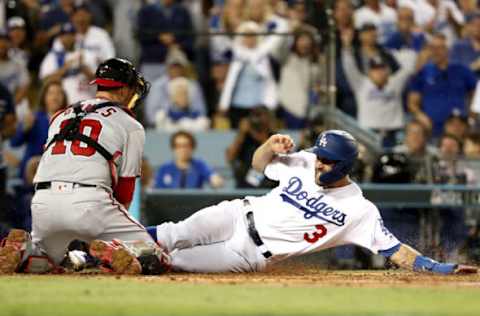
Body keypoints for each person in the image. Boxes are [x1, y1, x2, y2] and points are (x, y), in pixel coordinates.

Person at [92, 130, 476, 274]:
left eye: (326, 160)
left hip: (249, 256)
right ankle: (93, 253)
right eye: (318, 155)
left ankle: (97, 262)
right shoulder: (304, 159)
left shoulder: (360, 210)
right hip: (237, 214)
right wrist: (268, 144)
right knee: (172, 234)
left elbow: (395, 249)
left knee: (171, 263)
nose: (318, 162)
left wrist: (439, 268)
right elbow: (259, 164)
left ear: (343, 165)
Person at [0, 58, 169, 275]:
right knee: (157, 257)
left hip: (43, 204)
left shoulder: (60, 115)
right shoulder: (131, 125)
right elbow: (125, 191)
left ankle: (25, 251)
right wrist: (109, 232)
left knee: (51, 262)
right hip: (90, 202)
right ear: (125, 89)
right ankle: (109, 251)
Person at [154, 131, 223, 189]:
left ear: (192, 147)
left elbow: (212, 176)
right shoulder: (165, 168)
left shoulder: (199, 165)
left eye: (186, 145)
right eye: (178, 146)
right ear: (173, 148)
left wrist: (215, 180)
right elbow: (157, 189)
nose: (182, 149)